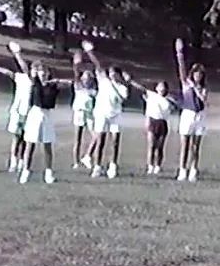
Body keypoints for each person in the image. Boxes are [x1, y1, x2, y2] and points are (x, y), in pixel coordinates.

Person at [79, 41, 129, 179]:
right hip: (101, 114)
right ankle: (97, 167)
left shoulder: (123, 88)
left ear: (119, 75)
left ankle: (113, 166)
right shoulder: (103, 80)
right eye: (111, 73)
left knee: (115, 141)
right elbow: (98, 65)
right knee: (100, 140)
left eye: (115, 73)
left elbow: (122, 98)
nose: (112, 75)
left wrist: (123, 82)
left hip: (115, 116)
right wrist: (90, 52)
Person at [19, 63, 74, 184]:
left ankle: (48, 173)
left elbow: (70, 83)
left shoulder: (53, 85)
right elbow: (25, 70)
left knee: (47, 145)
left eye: (45, 71)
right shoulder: (34, 82)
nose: (43, 73)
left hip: (47, 114)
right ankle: (26, 171)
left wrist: (55, 81)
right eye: (40, 71)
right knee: (30, 144)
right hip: (35, 113)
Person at [0, 41, 35, 173]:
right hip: (18, 111)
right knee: (16, 137)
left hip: (29, 112)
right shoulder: (21, 78)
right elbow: (8, 73)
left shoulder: (35, 81)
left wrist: (17, 54)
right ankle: (13, 161)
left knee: (26, 138)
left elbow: (24, 68)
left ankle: (22, 161)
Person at [122, 71, 178, 175]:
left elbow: (175, 107)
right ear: (156, 88)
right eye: (160, 87)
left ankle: (158, 166)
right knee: (151, 145)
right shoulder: (152, 95)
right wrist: (130, 81)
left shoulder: (169, 100)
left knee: (160, 147)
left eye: (164, 87)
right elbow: (140, 88)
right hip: (153, 121)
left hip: (162, 123)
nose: (162, 89)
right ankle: (150, 166)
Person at [174, 38, 207, 182]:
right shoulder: (186, 85)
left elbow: (203, 100)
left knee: (195, 145)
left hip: (199, 115)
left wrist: (196, 88)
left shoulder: (203, 88)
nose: (197, 77)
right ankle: (182, 169)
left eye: (200, 75)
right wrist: (179, 54)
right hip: (187, 114)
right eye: (195, 74)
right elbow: (181, 71)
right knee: (185, 144)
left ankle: (194, 169)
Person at [71, 51, 98, 169]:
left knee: (96, 136)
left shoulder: (93, 91)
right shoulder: (78, 86)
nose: (87, 79)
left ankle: (87, 156)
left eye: (89, 78)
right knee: (78, 139)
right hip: (79, 112)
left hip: (89, 114)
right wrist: (76, 63)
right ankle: (76, 162)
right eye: (85, 77)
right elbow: (76, 73)